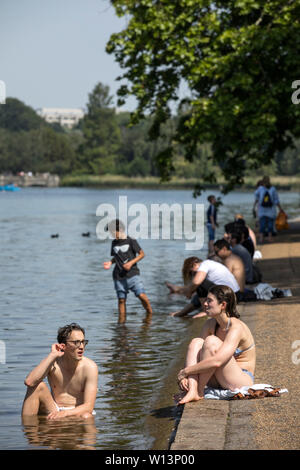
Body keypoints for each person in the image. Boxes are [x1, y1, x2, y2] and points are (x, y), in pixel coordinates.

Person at [175, 285, 256, 405]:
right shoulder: (210, 324)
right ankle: (193, 390)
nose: (205, 304)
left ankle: (198, 391)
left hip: (239, 378)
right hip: (217, 377)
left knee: (211, 341)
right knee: (196, 342)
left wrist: (186, 371)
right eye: (206, 300)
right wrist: (185, 377)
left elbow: (217, 361)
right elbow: (197, 356)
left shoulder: (236, 327)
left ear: (223, 305)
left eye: (209, 301)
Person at [22, 323, 98, 420]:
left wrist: (65, 413)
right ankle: (29, 430)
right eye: (76, 342)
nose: (82, 347)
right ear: (63, 346)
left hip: (78, 411)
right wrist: (52, 355)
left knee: (87, 416)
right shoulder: (52, 363)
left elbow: (88, 406)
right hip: (55, 409)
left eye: (83, 342)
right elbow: (29, 382)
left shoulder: (90, 367)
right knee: (38, 386)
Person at [103, 219, 152, 324]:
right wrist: (110, 263)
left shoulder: (131, 240)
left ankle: (150, 315)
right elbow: (117, 257)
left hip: (133, 274)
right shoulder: (114, 243)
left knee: (141, 295)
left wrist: (130, 263)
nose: (112, 235)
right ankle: (121, 324)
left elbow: (142, 254)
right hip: (118, 276)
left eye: (113, 232)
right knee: (121, 300)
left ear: (120, 229)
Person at [167, 256, 240, 318]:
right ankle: (181, 313)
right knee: (197, 296)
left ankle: (205, 311)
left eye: (191, 272)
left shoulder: (205, 264)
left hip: (230, 294)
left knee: (199, 284)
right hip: (232, 293)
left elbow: (196, 282)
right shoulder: (209, 264)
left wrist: (189, 292)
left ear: (195, 265)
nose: (193, 274)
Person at [253, 176, 283, 244]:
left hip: (266, 210)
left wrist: (254, 206)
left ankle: (263, 238)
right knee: (267, 224)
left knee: (266, 224)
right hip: (267, 210)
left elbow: (256, 197)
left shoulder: (261, 189)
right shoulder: (271, 189)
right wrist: (280, 208)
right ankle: (266, 238)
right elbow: (276, 200)